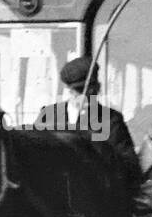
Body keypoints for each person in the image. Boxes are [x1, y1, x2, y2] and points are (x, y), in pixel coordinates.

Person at [33, 56, 142, 185]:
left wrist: (96, 145)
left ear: (99, 87)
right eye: (79, 90)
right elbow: (34, 157)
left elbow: (130, 166)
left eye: (93, 89)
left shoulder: (111, 119)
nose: (87, 95)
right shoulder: (48, 116)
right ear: (69, 90)